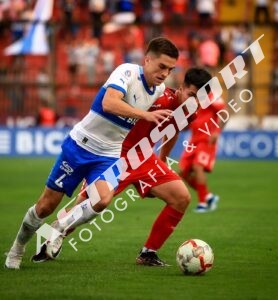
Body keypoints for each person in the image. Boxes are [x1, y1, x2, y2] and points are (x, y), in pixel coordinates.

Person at [5, 37, 179, 269]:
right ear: (147, 60)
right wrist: (144, 115)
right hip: (79, 146)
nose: (165, 73)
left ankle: (61, 227)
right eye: (162, 66)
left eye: (170, 69)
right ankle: (17, 247)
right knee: (45, 207)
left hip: (109, 154)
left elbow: (169, 109)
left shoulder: (158, 90)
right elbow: (109, 103)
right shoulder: (127, 72)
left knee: (102, 200)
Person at [32, 68, 213, 266]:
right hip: (117, 155)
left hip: (144, 159)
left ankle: (148, 253)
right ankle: (46, 241)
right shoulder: (157, 97)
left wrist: (162, 160)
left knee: (181, 197)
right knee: (85, 205)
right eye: (192, 95)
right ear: (181, 88)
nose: (195, 102)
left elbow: (173, 130)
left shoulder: (190, 110)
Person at [179, 93, 226, 213]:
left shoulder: (211, 96)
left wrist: (217, 131)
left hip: (207, 139)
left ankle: (203, 203)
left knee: (197, 166)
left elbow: (225, 113)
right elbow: (188, 123)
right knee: (183, 173)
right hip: (193, 140)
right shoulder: (191, 98)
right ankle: (208, 197)